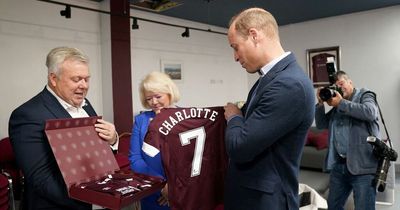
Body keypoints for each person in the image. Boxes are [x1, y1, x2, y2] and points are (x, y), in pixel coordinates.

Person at [223, 8, 315, 210]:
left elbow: (240, 147)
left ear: (254, 35)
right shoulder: (269, 80)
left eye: (236, 47)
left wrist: (234, 117)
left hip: (265, 202)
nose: (235, 57)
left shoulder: (289, 84)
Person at [8, 46, 119, 210]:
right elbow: (42, 180)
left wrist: (112, 139)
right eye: (76, 79)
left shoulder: (85, 106)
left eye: (86, 79)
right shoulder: (27, 115)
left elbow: (99, 155)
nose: (84, 86)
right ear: (53, 78)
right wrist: (94, 200)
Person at [315, 71, 379, 210]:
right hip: (339, 166)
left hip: (363, 166)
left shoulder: (364, 95)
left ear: (350, 82)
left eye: (341, 83)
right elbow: (321, 124)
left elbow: (370, 112)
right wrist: (320, 104)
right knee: (333, 206)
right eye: (335, 86)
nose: (338, 87)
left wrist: (341, 103)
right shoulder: (338, 106)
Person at [129, 71, 180, 210]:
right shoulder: (141, 121)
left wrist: (173, 188)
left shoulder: (186, 117)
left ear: (170, 93)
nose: (154, 102)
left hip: (182, 192)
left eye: (158, 96)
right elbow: (135, 159)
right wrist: (162, 186)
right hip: (152, 191)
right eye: (149, 99)